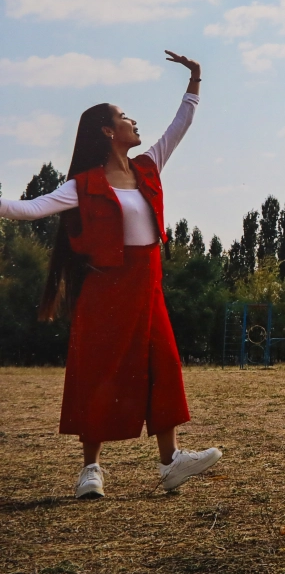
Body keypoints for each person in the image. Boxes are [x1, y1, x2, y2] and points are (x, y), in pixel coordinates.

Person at [0, 51, 222, 499]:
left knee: (163, 366)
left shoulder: (147, 167)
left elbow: (180, 126)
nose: (133, 121)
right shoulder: (82, 184)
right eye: (124, 117)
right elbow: (30, 210)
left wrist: (196, 79)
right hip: (106, 291)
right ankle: (91, 471)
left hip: (148, 286)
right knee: (98, 373)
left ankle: (170, 461)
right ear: (107, 130)